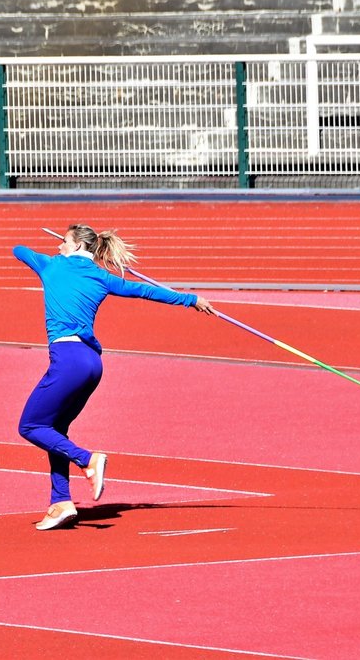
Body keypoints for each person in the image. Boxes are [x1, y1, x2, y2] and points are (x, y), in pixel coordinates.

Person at [14, 224, 215, 530]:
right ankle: (61, 502)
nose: (58, 247)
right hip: (92, 364)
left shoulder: (51, 265)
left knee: (30, 425)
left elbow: (18, 250)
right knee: (55, 429)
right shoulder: (102, 277)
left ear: (79, 246)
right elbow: (144, 291)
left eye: (64, 242)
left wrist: (51, 259)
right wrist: (189, 300)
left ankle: (87, 459)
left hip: (68, 359)